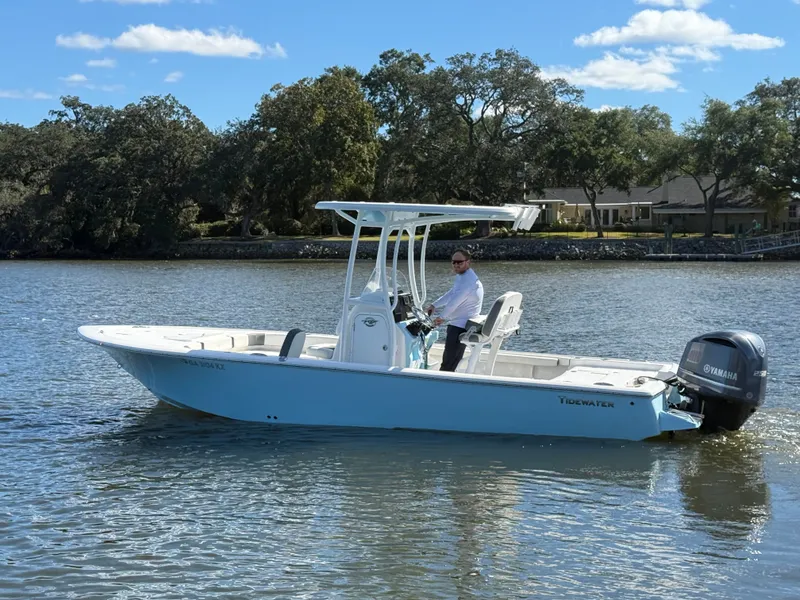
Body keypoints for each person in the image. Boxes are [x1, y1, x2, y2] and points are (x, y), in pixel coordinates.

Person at [425, 249, 483, 372]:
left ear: (468, 262)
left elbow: (454, 302)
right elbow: (452, 294)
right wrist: (434, 305)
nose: (456, 265)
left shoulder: (468, 281)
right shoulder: (463, 276)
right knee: (450, 361)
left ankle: (442, 386)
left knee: (448, 364)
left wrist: (441, 318)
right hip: (458, 323)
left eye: (459, 262)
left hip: (460, 326)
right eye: (454, 262)